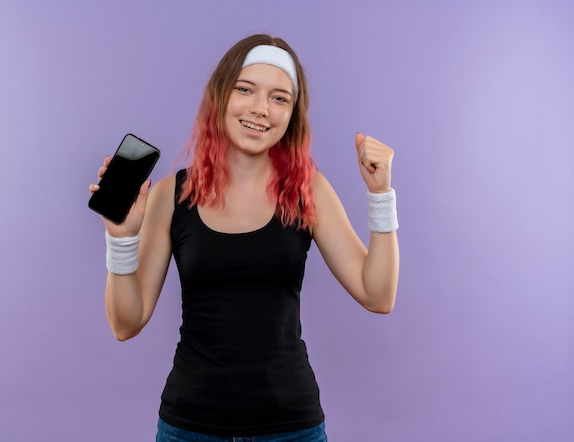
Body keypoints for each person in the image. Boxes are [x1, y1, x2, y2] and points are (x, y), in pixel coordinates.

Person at [89, 33, 399, 441]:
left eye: (279, 98)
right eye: (245, 89)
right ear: (220, 95)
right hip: (190, 427)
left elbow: (377, 295)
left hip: (290, 427)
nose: (260, 109)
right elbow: (125, 323)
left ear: (292, 114)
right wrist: (122, 238)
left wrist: (380, 195)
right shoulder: (170, 195)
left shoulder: (309, 191)